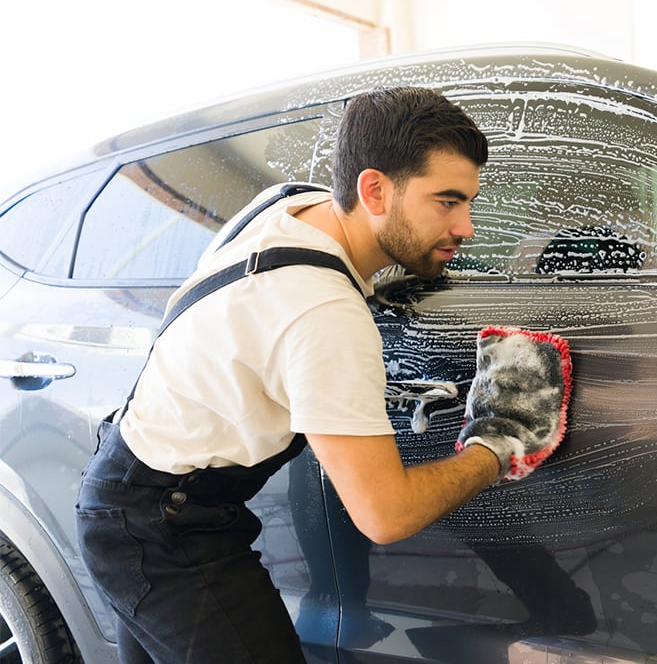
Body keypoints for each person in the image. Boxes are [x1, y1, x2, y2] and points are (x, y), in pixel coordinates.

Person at [75, 87, 562, 663]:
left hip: (133, 489)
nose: (468, 227)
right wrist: (498, 443)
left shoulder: (288, 205)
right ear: (373, 189)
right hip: (163, 531)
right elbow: (387, 514)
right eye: (447, 203)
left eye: (469, 203)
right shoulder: (323, 313)